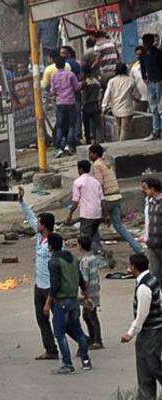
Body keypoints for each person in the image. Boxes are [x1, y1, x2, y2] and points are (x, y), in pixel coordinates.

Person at [18, 187, 59, 360]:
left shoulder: (54, 242)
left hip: (51, 286)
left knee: (61, 319)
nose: (37, 224)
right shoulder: (39, 236)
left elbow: (59, 264)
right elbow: (31, 217)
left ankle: (83, 340)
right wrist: (21, 201)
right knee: (41, 318)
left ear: (45, 226)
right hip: (39, 285)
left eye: (40, 223)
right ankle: (50, 350)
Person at [44, 233, 92, 374]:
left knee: (59, 334)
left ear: (50, 246)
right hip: (74, 300)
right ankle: (86, 361)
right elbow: (81, 279)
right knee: (78, 331)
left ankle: (67, 363)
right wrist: (86, 296)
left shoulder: (53, 262)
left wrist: (47, 304)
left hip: (61, 302)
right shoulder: (72, 258)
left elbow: (55, 285)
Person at [89, 144, 143, 254]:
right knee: (119, 226)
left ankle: (98, 251)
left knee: (92, 225)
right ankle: (137, 247)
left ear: (94, 154)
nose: (89, 156)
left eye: (90, 153)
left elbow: (99, 185)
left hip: (107, 199)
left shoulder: (96, 165)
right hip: (117, 197)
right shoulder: (107, 163)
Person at [121, 253, 162, 400]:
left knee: (153, 364)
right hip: (150, 330)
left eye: (130, 265)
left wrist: (130, 333)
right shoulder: (152, 279)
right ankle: (145, 396)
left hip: (151, 331)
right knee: (144, 367)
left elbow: (142, 315)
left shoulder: (144, 287)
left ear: (133, 266)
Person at [67, 160, 105, 254]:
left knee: (85, 237)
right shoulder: (96, 182)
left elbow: (75, 201)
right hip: (97, 212)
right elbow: (102, 200)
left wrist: (70, 214)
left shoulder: (77, 182)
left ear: (80, 169)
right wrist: (106, 214)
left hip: (87, 214)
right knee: (95, 235)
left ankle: (99, 251)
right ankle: (98, 252)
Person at [77, 235, 105, 350]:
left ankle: (97, 340)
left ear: (81, 246)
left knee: (91, 316)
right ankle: (93, 338)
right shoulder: (93, 258)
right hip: (95, 290)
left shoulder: (84, 261)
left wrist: (83, 294)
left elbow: (85, 280)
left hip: (89, 293)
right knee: (87, 315)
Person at [49, 56, 81, 157]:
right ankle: (68, 145)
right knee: (71, 125)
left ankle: (59, 147)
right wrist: (82, 83)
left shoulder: (53, 77)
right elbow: (76, 88)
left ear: (56, 65)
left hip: (59, 104)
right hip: (71, 103)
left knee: (60, 126)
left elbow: (52, 92)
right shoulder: (70, 75)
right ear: (64, 64)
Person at [102, 63, 140, 141]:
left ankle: (119, 143)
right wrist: (137, 98)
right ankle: (121, 145)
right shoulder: (130, 80)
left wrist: (104, 106)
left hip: (115, 109)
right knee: (124, 130)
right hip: (127, 109)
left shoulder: (111, 81)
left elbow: (107, 94)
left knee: (119, 128)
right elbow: (137, 95)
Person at [141, 33, 162, 142]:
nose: (145, 44)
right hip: (151, 83)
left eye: (147, 42)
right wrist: (145, 79)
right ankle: (156, 131)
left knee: (161, 108)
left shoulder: (158, 53)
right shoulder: (143, 55)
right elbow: (143, 69)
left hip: (159, 82)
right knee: (153, 108)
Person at [144, 178, 162, 282]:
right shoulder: (149, 204)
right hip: (152, 245)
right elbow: (148, 223)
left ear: (153, 189)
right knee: (154, 274)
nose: (144, 191)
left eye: (146, 189)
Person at [81, 66, 102, 145]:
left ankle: (88, 140)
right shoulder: (97, 82)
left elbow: (83, 95)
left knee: (86, 125)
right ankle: (96, 140)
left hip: (87, 106)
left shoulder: (84, 83)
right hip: (95, 105)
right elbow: (99, 95)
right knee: (95, 125)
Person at [131, 46, 149, 112]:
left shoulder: (150, 65)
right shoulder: (134, 67)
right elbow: (132, 82)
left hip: (151, 96)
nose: (138, 56)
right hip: (139, 98)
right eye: (137, 54)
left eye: (140, 54)